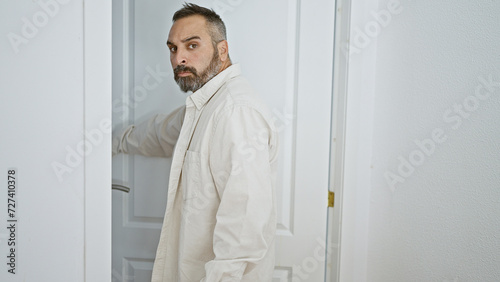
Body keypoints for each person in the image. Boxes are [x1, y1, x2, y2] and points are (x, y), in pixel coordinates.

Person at [112, 3, 278, 281]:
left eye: (192, 46)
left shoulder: (235, 111)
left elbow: (244, 224)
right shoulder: (206, 105)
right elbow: (160, 133)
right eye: (173, 49)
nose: (179, 59)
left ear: (222, 50)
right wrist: (112, 141)